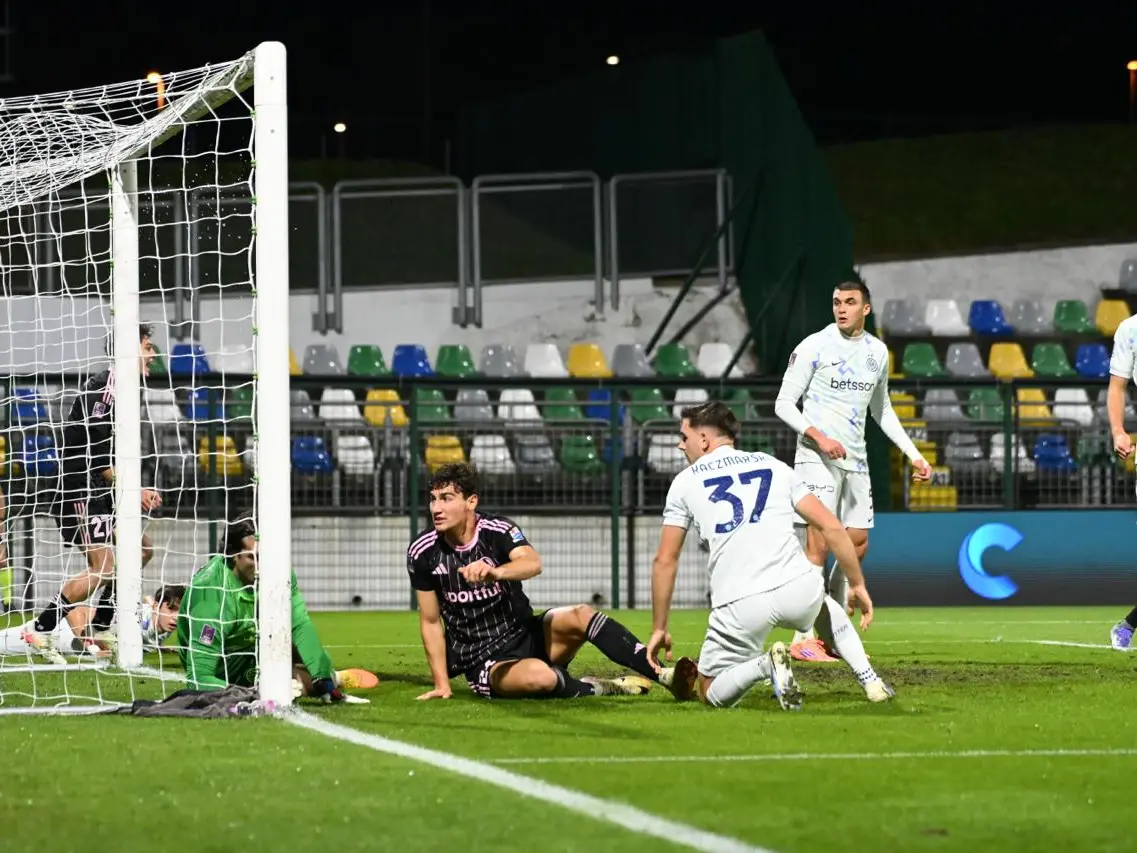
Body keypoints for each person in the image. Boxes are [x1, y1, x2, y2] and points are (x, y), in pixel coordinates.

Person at [647, 401, 894, 709]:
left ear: (705, 440)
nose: (679, 444)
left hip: (741, 603)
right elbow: (831, 527)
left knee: (706, 689)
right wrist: (856, 584)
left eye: (684, 437)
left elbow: (665, 560)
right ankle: (871, 680)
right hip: (797, 588)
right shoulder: (773, 465)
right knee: (823, 605)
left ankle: (766, 666)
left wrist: (659, 627)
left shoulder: (684, 483)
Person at [408, 462, 697, 701]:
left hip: (528, 634)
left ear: (471, 501)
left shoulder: (497, 530)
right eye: (433, 499)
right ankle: (601, 686)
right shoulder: (423, 552)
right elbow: (431, 622)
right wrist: (442, 683)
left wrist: (496, 571)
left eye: (446, 498)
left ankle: (663, 675)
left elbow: (532, 563)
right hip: (486, 661)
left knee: (581, 614)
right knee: (540, 677)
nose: (436, 508)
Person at [774, 275, 931, 661]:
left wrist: (913, 454)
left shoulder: (877, 352)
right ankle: (802, 639)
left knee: (856, 543)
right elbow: (783, 404)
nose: (841, 308)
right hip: (816, 456)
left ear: (866, 308)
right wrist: (819, 437)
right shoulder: (814, 346)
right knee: (820, 542)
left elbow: (883, 410)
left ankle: (829, 621)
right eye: (836, 302)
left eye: (849, 302)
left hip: (856, 461)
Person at [23, 323, 162, 664]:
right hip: (82, 486)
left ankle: (100, 627)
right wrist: (135, 489)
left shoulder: (130, 390)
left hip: (101, 488)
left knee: (141, 551)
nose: (153, 354)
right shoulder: (104, 391)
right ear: (129, 351)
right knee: (103, 567)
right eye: (147, 346)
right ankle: (41, 629)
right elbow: (98, 455)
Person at [177, 511, 376, 701]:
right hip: (223, 661)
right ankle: (333, 678)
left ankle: (330, 677)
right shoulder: (211, 593)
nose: (262, 565)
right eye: (252, 557)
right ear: (232, 555)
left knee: (314, 657)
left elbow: (300, 624)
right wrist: (257, 695)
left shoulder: (279, 570)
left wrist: (322, 677)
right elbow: (199, 678)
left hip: (255, 643)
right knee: (289, 686)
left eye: (266, 555)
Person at [0, 583, 185, 658]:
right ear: (156, 607)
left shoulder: (163, 626)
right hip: (55, 634)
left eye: (179, 612)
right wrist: (91, 645)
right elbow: (73, 611)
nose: (175, 617)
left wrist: (161, 648)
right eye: (171, 609)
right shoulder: (136, 618)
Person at [1107, 312, 1137, 650]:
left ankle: (1129, 624)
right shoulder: (1130, 330)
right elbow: (1117, 387)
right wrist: (1118, 431)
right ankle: (1128, 625)